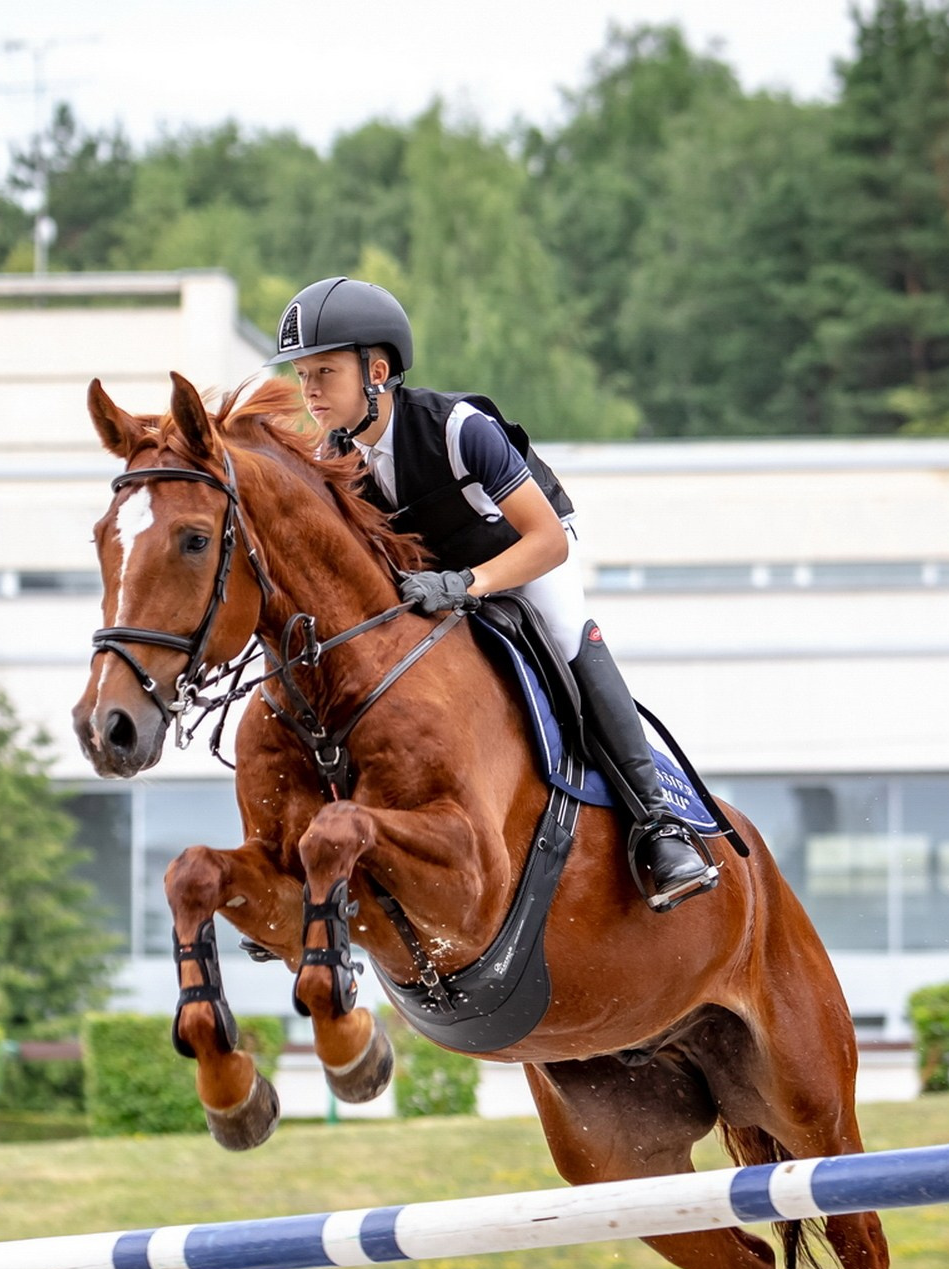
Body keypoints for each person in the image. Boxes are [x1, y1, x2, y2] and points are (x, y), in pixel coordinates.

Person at [274, 275, 718, 911]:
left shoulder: (460, 429)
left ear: (377, 371)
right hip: (437, 580)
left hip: (524, 555)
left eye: (324, 370)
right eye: (301, 374)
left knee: (564, 632)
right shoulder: (333, 460)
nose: (309, 389)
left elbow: (547, 541)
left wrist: (469, 584)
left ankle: (658, 825)